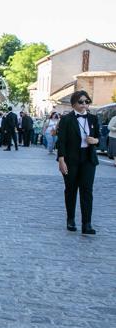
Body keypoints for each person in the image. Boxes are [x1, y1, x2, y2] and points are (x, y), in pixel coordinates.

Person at [56, 90, 100, 234]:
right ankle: (70, 219)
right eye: (81, 102)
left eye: (87, 102)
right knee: (71, 190)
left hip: (88, 158)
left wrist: (95, 140)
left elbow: (99, 138)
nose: (84, 105)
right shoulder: (67, 119)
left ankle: (87, 224)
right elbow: (61, 141)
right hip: (71, 159)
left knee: (87, 191)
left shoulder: (93, 119)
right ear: (74, 103)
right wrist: (61, 160)